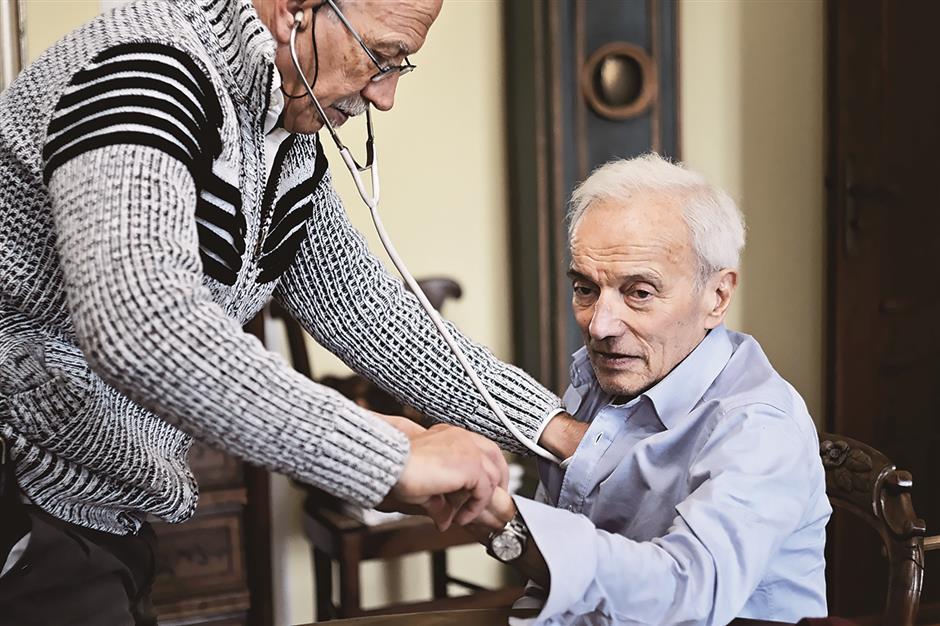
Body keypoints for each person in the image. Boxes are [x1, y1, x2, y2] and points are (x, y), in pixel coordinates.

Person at [0, 0, 584, 622]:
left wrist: (558, 433)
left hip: (101, 515)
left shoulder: (280, 132)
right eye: (379, 58)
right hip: (22, 506)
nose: (384, 97)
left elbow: (372, 313)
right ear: (295, 10)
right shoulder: (143, 71)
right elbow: (141, 324)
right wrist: (384, 456)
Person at [461, 154, 832, 625]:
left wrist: (500, 520)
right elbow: (553, 586)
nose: (600, 326)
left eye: (639, 293)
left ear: (716, 296)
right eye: (586, 288)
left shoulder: (756, 426)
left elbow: (684, 595)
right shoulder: (604, 378)